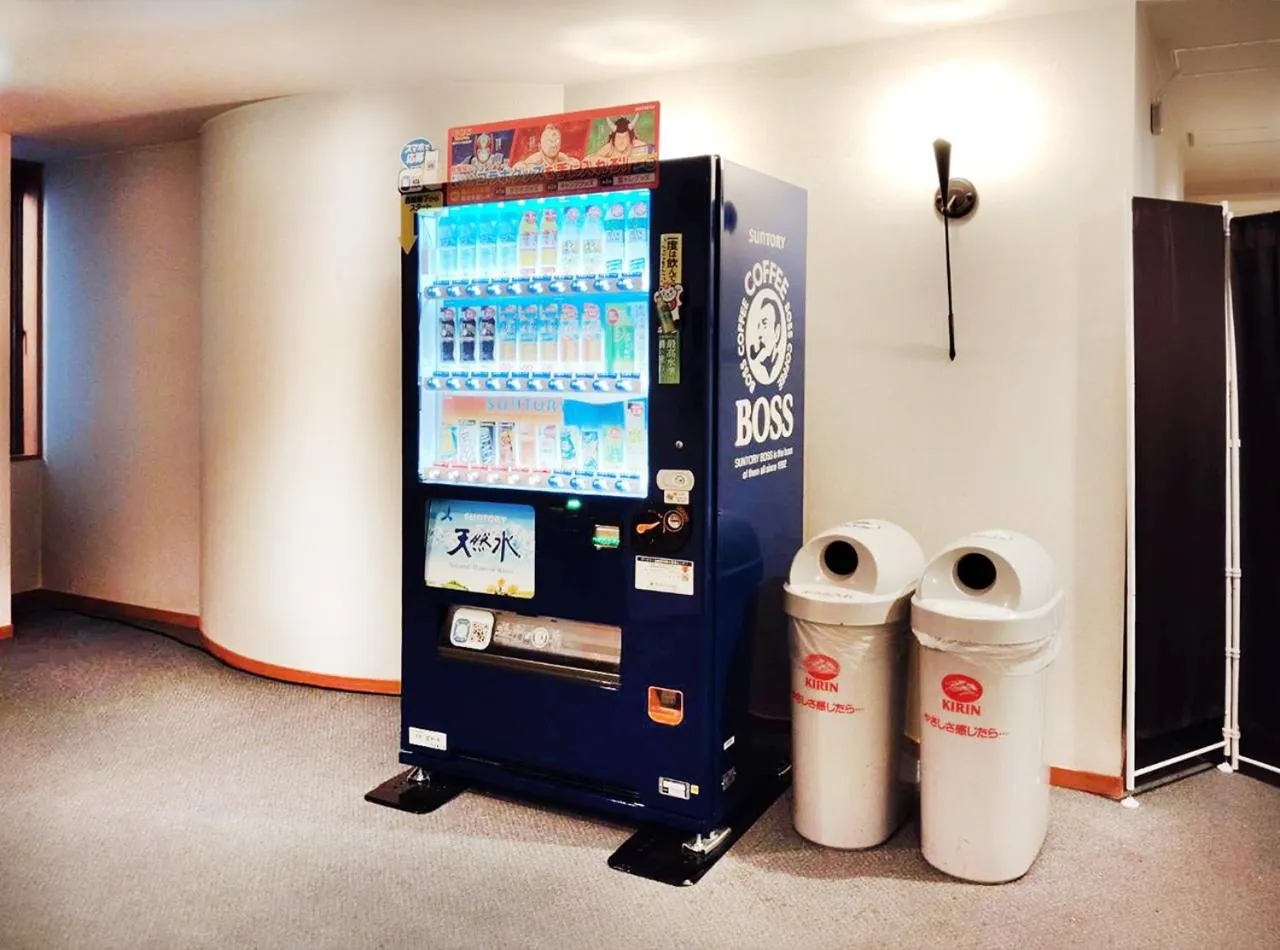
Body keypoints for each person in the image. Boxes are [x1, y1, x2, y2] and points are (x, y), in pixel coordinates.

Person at [585, 116, 654, 166]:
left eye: (625, 137)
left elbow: (653, 154)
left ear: (631, 138)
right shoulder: (610, 147)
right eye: (618, 137)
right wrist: (608, 160)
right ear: (613, 139)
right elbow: (590, 158)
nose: (621, 141)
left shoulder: (636, 145)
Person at [512, 124, 581, 171]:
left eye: (557, 141)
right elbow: (517, 169)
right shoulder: (533, 161)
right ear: (541, 143)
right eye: (550, 141)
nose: (554, 145)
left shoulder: (562, 157)